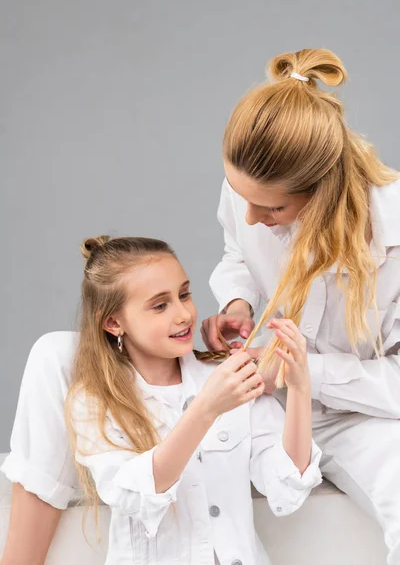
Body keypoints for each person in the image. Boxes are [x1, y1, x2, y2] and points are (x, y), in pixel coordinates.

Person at [1, 235, 321, 565]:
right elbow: (137, 497)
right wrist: (206, 409)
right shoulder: (95, 399)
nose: (183, 314)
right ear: (113, 323)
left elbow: (288, 486)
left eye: (184, 294)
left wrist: (298, 387)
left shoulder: (228, 377)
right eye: (160, 305)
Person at [200, 48, 400, 564]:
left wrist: (301, 373)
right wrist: (239, 302)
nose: (249, 217)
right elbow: (235, 248)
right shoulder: (251, 189)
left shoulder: (394, 237)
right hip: (266, 403)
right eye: (239, 196)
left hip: (364, 415)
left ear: (323, 189)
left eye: (272, 208)